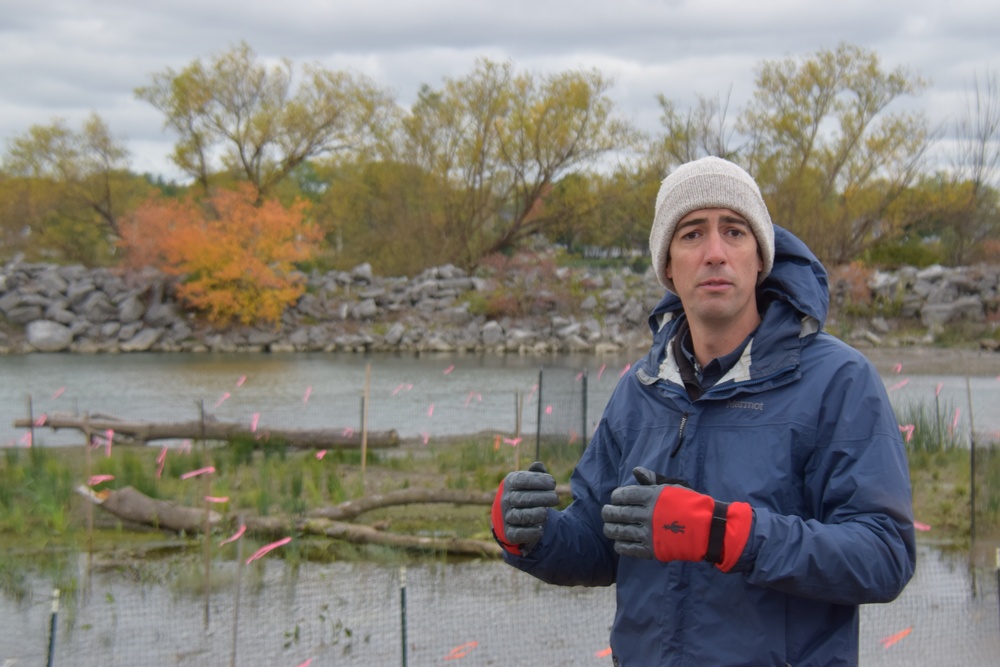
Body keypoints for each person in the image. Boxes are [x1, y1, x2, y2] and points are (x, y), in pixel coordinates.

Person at [491, 156, 916, 666]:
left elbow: (884, 556)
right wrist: (530, 535)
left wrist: (724, 533)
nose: (715, 253)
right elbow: (601, 544)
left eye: (734, 232)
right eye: (692, 234)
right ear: (668, 266)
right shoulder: (640, 388)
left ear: (760, 256)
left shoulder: (839, 381)